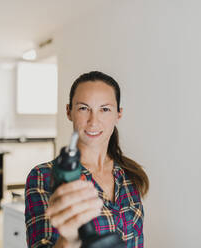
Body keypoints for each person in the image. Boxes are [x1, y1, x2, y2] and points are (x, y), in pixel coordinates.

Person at [25, 71, 149, 248]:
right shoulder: (44, 176)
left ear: (118, 114)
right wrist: (69, 239)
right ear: (69, 112)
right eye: (84, 108)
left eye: (105, 109)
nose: (93, 121)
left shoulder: (129, 173)